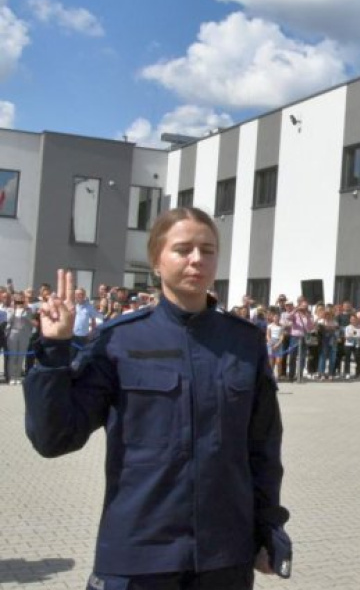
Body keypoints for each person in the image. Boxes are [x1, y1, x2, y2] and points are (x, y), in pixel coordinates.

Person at [21, 207, 291, 588]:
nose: (197, 259)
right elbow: (54, 438)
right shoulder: (120, 340)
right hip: (139, 553)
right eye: (183, 249)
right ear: (156, 262)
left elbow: (262, 448)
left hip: (223, 556)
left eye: (208, 250)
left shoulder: (243, 342)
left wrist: (268, 527)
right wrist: (54, 350)